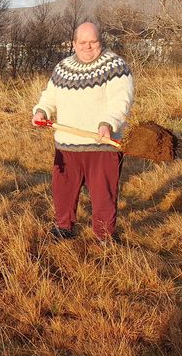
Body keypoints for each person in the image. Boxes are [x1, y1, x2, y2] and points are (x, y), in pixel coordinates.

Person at [32, 21, 134, 243]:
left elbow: (121, 101)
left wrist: (108, 123)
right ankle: (64, 226)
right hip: (66, 144)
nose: (88, 47)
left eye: (93, 42)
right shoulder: (62, 67)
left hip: (102, 144)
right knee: (63, 191)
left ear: (100, 41)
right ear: (74, 43)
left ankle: (104, 236)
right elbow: (50, 96)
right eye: (83, 42)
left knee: (103, 194)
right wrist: (41, 111)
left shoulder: (115, 66)